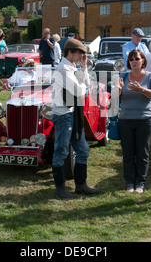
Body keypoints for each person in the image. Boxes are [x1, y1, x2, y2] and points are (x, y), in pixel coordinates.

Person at [51, 38, 99, 199]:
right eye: (80, 53)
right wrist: (83, 87)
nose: (81, 57)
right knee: (61, 151)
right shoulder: (64, 69)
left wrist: (84, 68)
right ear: (70, 52)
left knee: (83, 150)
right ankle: (60, 188)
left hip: (71, 113)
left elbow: (85, 84)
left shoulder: (70, 67)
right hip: (63, 115)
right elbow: (80, 91)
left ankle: (80, 185)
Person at [116, 49, 151, 193]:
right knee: (128, 153)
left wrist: (141, 90)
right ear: (129, 62)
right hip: (126, 120)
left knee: (142, 153)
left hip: (145, 120)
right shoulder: (123, 76)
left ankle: (140, 182)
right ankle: (129, 182)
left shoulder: (150, 76)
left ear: (143, 61)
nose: (134, 61)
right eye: (131, 59)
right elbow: (114, 97)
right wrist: (117, 89)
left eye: (137, 58)